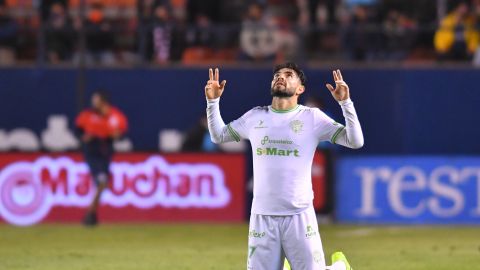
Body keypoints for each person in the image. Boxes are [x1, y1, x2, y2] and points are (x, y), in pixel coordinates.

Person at [204, 63, 363, 270]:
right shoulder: (255, 116)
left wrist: (346, 103)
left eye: (289, 75)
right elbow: (218, 135)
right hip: (262, 215)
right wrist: (212, 101)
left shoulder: (312, 117)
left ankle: (339, 267)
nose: (281, 77)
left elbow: (355, 141)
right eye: (277, 75)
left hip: (299, 215)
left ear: (300, 89)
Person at [75, 91, 128, 226]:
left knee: (103, 183)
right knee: (102, 181)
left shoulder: (114, 116)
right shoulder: (88, 115)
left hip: (105, 150)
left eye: (96, 100)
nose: (93, 102)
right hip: (91, 151)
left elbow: (120, 133)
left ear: (103, 102)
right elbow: (78, 130)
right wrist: (84, 137)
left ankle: (91, 214)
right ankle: (90, 214)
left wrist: (116, 135)